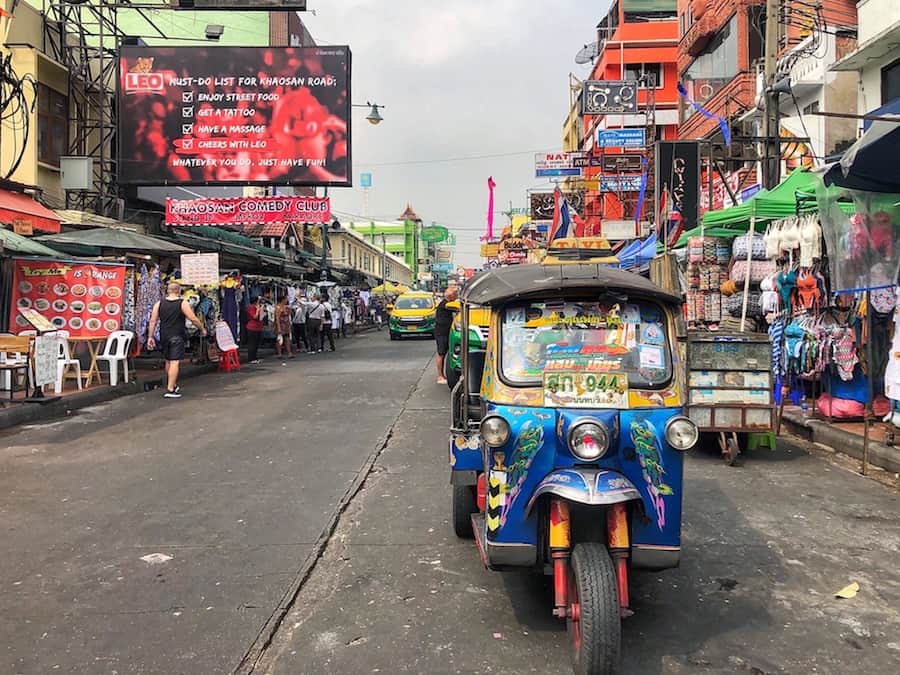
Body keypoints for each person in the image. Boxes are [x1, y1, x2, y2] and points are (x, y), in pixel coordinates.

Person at [148, 281, 207, 398]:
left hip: (164, 335)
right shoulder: (182, 303)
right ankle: (170, 389)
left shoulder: (159, 304)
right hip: (177, 335)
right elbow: (193, 318)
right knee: (175, 361)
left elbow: (153, 321)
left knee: (168, 360)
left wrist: (150, 337)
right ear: (179, 291)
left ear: (168, 291)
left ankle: (173, 384)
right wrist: (202, 328)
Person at [434, 286, 459, 384]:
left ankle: (443, 375)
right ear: (451, 296)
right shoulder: (446, 305)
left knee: (446, 354)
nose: (456, 297)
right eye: (455, 295)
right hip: (442, 333)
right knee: (441, 354)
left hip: (446, 332)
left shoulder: (446, 304)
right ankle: (440, 376)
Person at [245, 296, 265, 364]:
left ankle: (255, 358)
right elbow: (255, 317)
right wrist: (258, 310)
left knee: (256, 344)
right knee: (252, 344)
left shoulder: (257, 307)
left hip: (258, 327)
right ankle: (251, 358)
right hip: (252, 327)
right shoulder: (251, 307)